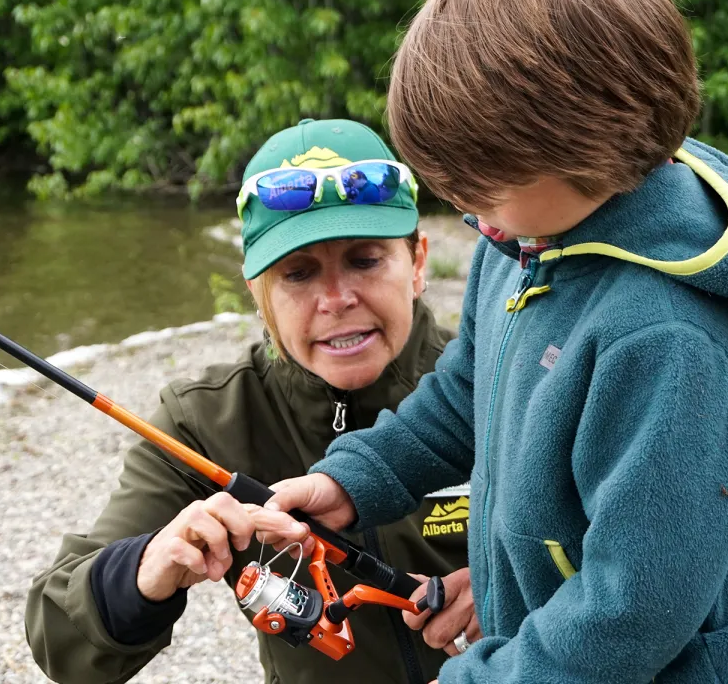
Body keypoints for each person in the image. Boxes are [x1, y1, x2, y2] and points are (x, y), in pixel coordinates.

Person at [262, 0, 728, 684]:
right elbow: (466, 388)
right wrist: (356, 479)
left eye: (478, 175)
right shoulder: (523, 243)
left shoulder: (671, 339)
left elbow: (630, 611)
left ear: (581, 144)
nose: (461, 202)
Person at [25, 118, 481, 684]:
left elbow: (614, 557)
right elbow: (58, 638)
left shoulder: (496, 378)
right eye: (298, 273)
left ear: (416, 263)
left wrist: (514, 591)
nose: (337, 299)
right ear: (258, 296)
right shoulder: (204, 419)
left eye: (365, 260)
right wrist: (146, 568)